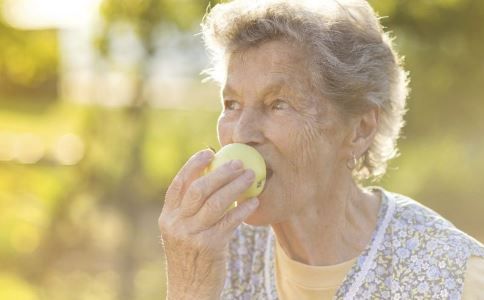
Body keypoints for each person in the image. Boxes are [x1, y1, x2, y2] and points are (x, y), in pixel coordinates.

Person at [158, 0, 484, 299]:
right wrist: (191, 287)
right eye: (232, 104)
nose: (241, 133)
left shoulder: (455, 279)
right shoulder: (213, 252)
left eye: (277, 104)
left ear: (360, 130)